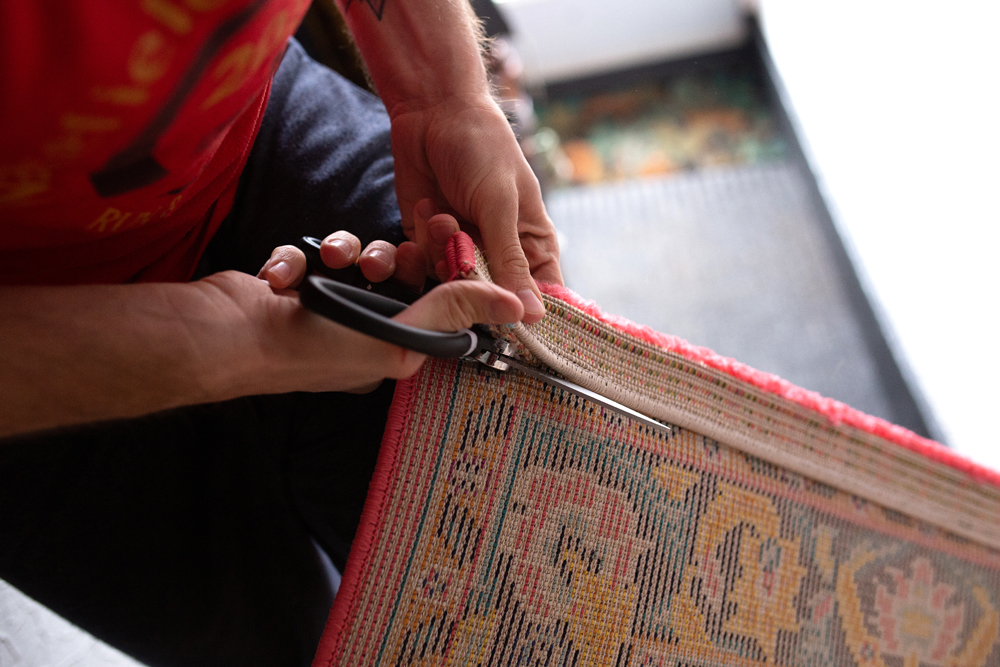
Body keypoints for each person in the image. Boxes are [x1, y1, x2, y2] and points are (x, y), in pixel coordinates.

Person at [0, 0, 562, 665]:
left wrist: (446, 96)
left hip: (243, 120)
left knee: (523, 568)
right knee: (285, 641)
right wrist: (234, 344)